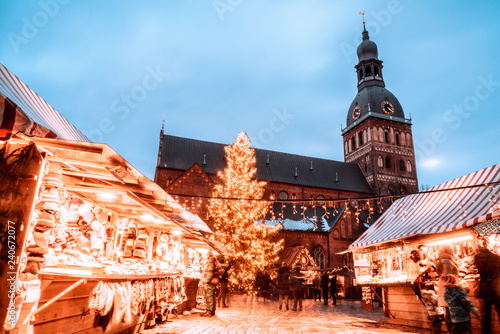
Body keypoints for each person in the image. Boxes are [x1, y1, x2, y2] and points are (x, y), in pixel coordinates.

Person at [473, 240, 500, 334]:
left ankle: (487, 332)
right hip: (496, 288)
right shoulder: (496, 257)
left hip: (485, 288)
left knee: (486, 314)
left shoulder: (477, 257)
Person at [414, 266, 445, 334]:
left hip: (435, 306)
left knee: (436, 323)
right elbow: (427, 295)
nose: (436, 273)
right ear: (428, 272)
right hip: (434, 305)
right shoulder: (425, 280)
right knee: (436, 322)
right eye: (433, 271)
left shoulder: (435, 279)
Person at [436, 244, 459, 333]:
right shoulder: (447, 261)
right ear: (449, 251)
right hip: (448, 289)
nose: (453, 252)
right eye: (452, 250)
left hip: (443, 288)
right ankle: (452, 331)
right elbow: (448, 277)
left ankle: (450, 331)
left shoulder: (441, 260)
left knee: (448, 311)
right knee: (450, 312)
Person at [201, 251, 219, 317]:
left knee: (209, 296)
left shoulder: (211, 261)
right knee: (212, 296)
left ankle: (209, 311)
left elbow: (210, 272)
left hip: (210, 281)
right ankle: (212, 311)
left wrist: (207, 281)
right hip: (213, 281)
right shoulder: (214, 260)